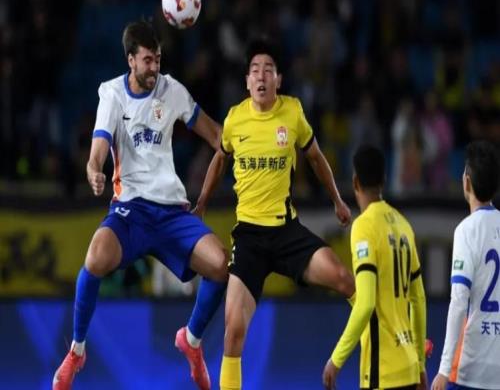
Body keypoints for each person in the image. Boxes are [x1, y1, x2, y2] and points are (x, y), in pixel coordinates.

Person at [52, 20, 228, 390]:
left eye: (158, 59)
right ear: (130, 60)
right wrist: (93, 169)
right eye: (148, 60)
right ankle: (77, 351)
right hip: (131, 210)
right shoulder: (112, 93)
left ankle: (192, 341)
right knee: (95, 258)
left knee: (219, 265)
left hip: (171, 212)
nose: (154, 68)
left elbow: (218, 137)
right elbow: (99, 146)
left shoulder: (172, 91)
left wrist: (237, 148)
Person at [191, 38, 355, 390]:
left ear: (278, 79)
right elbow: (220, 159)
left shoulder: (292, 112)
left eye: (268, 70)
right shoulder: (235, 119)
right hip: (249, 238)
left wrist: (338, 201)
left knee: (345, 279)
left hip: (286, 232)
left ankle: (389, 340)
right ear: (247, 81)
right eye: (254, 70)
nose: (261, 76)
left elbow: (316, 158)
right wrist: (202, 200)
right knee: (233, 331)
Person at [322, 144, 428, 390]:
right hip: (409, 368)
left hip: (382, 371)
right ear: (384, 179)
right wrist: (420, 364)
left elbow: (366, 302)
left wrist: (336, 359)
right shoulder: (404, 226)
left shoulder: (364, 227)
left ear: (355, 182)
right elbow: (419, 300)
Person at [431, 140, 500, 390]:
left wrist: (443, 369)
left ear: (467, 182)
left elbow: (459, 301)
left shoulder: (466, 231)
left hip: (472, 368)